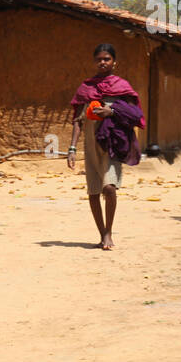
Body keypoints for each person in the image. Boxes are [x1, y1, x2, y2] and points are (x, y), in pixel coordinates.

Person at [66, 44, 145, 250]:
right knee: (93, 191)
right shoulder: (87, 88)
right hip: (91, 145)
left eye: (107, 59)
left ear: (114, 62)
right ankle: (101, 233)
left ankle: (109, 231)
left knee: (109, 188)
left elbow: (135, 113)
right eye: (99, 59)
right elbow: (77, 120)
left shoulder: (121, 87)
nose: (103, 62)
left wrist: (112, 111)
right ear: (95, 62)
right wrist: (72, 149)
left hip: (112, 142)